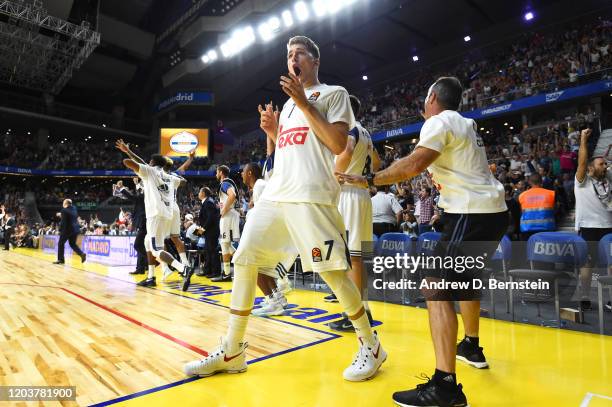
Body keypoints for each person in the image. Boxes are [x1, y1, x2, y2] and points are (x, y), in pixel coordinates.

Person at [184, 35, 386, 381]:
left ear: (314, 60)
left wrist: (306, 104)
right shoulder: (290, 104)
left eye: (299, 53)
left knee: (332, 272)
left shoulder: (334, 95)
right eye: (288, 54)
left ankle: (372, 345)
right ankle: (232, 349)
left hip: (311, 195)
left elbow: (339, 144)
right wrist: (275, 132)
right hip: (278, 193)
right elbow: (293, 149)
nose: (292, 58)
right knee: (245, 257)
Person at [338, 77, 507, 406]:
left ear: (432, 97)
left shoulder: (438, 121)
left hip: (471, 214)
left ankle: (445, 388)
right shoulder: (466, 123)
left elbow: (412, 165)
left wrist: (368, 179)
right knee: (465, 282)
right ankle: (470, 345)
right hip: (492, 213)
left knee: (436, 287)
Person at [328, 94, 379, 331]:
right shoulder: (366, 132)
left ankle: (355, 315)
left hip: (349, 194)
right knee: (360, 258)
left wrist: (332, 178)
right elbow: (376, 162)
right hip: (363, 195)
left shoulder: (351, 131)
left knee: (353, 259)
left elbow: (346, 151)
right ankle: (364, 309)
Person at [120, 153, 194, 291]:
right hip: (167, 213)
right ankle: (151, 277)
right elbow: (183, 182)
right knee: (148, 242)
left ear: (152, 162)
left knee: (156, 249)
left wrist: (131, 155)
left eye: (149, 161)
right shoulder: (170, 176)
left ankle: (183, 268)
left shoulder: (150, 172)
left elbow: (126, 162)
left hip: (155, 215)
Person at [241, 162, 289, 317]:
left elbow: (266, 211)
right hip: (271, 229)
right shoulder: (259, 186)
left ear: (249, 173)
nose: (241, 174)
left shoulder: (260, 185)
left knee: (252, 265)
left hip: (267, 230)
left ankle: (274, 302)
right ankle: (278, 298)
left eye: (243, 171)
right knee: (264, 268)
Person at [574, 128, 612, 310]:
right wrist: (583, 139)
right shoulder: (582, 181)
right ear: (590, 168)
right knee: (587, 264)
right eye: (601, 164)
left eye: (605, 164)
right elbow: (582, 162)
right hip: (588, 227)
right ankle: (584, 297)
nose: (604, 166)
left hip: (609, 227)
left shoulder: (608, 181)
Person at [213, 165, 241, 282]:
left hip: (228, 216)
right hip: (232, 214)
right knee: (228, 245)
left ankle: (228, 273)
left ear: (221, 172)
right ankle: (228, 273)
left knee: (225, 244)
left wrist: (224, 209)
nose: (216, 174)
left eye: (216, 172)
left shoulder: (225, 183)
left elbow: (232, 195)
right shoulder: (227, 183)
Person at [518, 173, 556, 241]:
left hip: (527, 229)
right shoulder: (551, 194)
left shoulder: (522, 196)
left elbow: (520, 212)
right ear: (541, 181)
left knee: (529, 250)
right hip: (547, 228)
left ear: (529, 182)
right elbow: (555, 209)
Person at [197, 187, 221, 278]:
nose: (198, 193)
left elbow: (210, 219)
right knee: (208, 251)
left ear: (203, 193)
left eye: (200, 191)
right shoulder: (208, 202)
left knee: (213, 251)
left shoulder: (208, 202)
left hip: (211, 231)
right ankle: (207, 271)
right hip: (209, 231)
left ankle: (215, 272)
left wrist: (201, 231)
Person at [53, 199, 87, 264]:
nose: (62, 204)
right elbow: (69, 214)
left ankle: (61, 260)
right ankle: (82, 254)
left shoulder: (64, 210)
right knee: (72, 244)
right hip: (75, 230)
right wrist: (61, 214)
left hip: (67, 230)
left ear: (66, 203)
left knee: (61, 243)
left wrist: (60, 230)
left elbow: (63, 222)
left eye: (63, 203)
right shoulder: (74, 209)